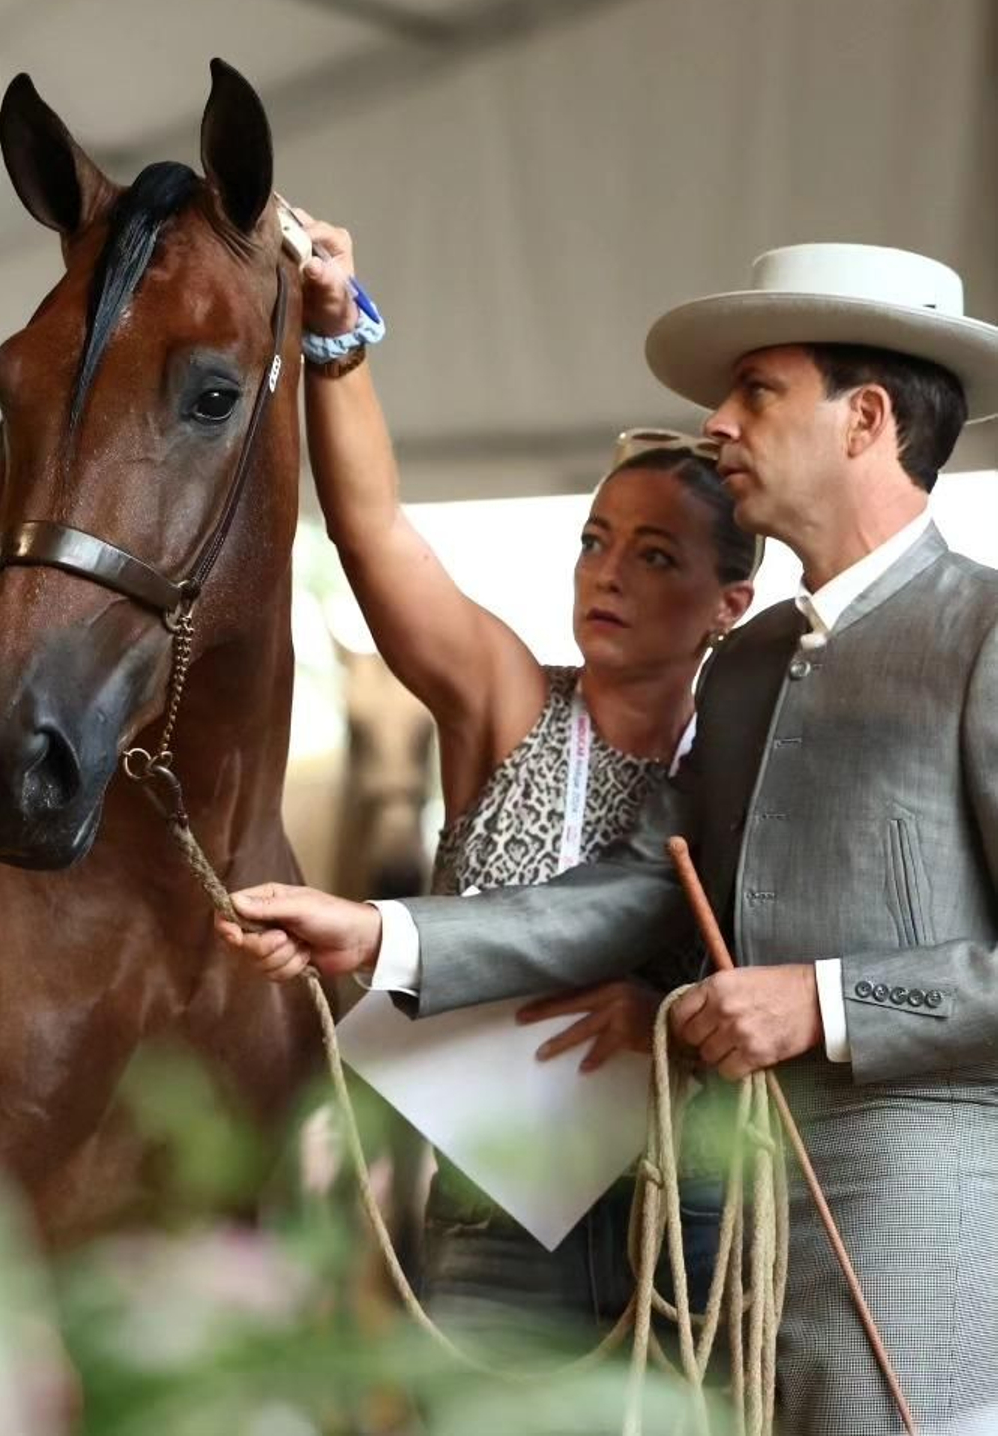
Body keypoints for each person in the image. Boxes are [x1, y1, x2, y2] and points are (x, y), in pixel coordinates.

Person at [223, 240, 998, 1435]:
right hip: (730, 1243)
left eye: (757, 392)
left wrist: (825, 1001)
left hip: (913, 1247)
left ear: (867, 420)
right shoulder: (746, 665)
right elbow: (636, 890)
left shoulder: (986, 628)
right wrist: (381, 932)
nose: (718, 420)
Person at [293, 212, 756, 1352]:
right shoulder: (506, 698)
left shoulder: (756, 754)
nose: (606, 575)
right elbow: (375, 531)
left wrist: (672, 1020)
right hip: (494, 1211)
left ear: (727, 603)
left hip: (687, 1211)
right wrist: (337, 341)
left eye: (654, 557)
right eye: (596, 540)